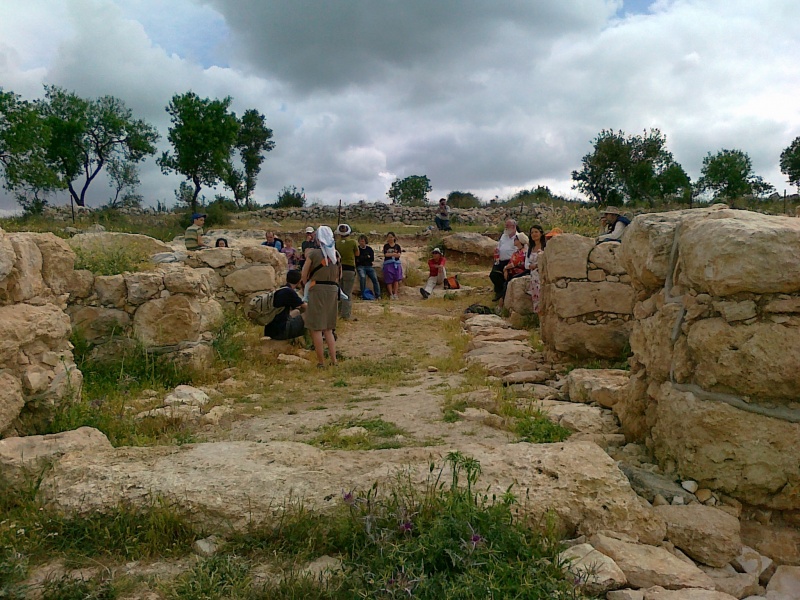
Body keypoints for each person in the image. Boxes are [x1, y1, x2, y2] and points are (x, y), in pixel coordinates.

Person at [301, 226, 340, 368]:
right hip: (332, 290)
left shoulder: (314, 254)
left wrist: (306, 285)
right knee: (328, 328)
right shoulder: (335, 254)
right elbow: (338, 275)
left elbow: (304, 275)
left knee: (316, 327)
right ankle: (334, 360)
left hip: (317, 289)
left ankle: (321, 361)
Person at [263, 270, 307, 340]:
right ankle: (313, 339)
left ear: (287, 279)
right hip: (281, 332)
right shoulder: (290, 292)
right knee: (308, 315)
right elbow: (305, 307)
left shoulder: (282, 289)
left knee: (297, 312)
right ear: (299, 281)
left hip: (271, 331)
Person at [489, 219, 518, 302]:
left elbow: (517, 251)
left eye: (508, 226)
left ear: (513, 226)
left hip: (510, 260)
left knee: (506, 276)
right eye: (506, 225)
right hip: (500, 259)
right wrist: (497, 251)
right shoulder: (504, 236)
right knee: (493, 274)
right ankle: (499, 291)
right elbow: (499, 246)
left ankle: (502, 293)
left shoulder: (517, 237)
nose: (506, 227)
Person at [335, 223, 359, 320]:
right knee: (347, 292)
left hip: (339, 268)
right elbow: (357, 254)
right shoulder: (353, 242)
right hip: (349, 268)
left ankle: (338, 311)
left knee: (340, 291)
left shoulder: (337, 243)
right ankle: (346, 314)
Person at [526, 225, 547, 314]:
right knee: (536, 297)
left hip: (543, 275)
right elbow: (526, 264)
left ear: (541, 233)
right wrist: (531, 266)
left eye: (536, 232)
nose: (534, 234)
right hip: (534, 277)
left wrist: (537, 265)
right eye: (532, 233)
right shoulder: (530, 248)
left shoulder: (546, 246)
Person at [356, 234, 381, 299]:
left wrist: (363, 258)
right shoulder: (357, 249)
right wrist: (366, 257)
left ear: (365, 241)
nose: (362, 243)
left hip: (369, 266)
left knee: (375, 278)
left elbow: (371, 259)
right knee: (362, 277)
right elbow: (357, 259)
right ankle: (363, 294)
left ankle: (378, 295)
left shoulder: (369, 249)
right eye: (360, 241)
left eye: (363, 241)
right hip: (360, 266)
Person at [382, 232, 403, 300]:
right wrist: (394, 254)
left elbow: (399, 255)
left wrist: (391, 254)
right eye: (389, 237)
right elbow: (386, 255)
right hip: (388, 264)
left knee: (396, 279)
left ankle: (395, 294)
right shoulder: (386, 246)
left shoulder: (397, 246)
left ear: (394, 237)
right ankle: (391, 294)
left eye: (391, 237)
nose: (390, 238)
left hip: (396, 264)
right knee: (389, 280)